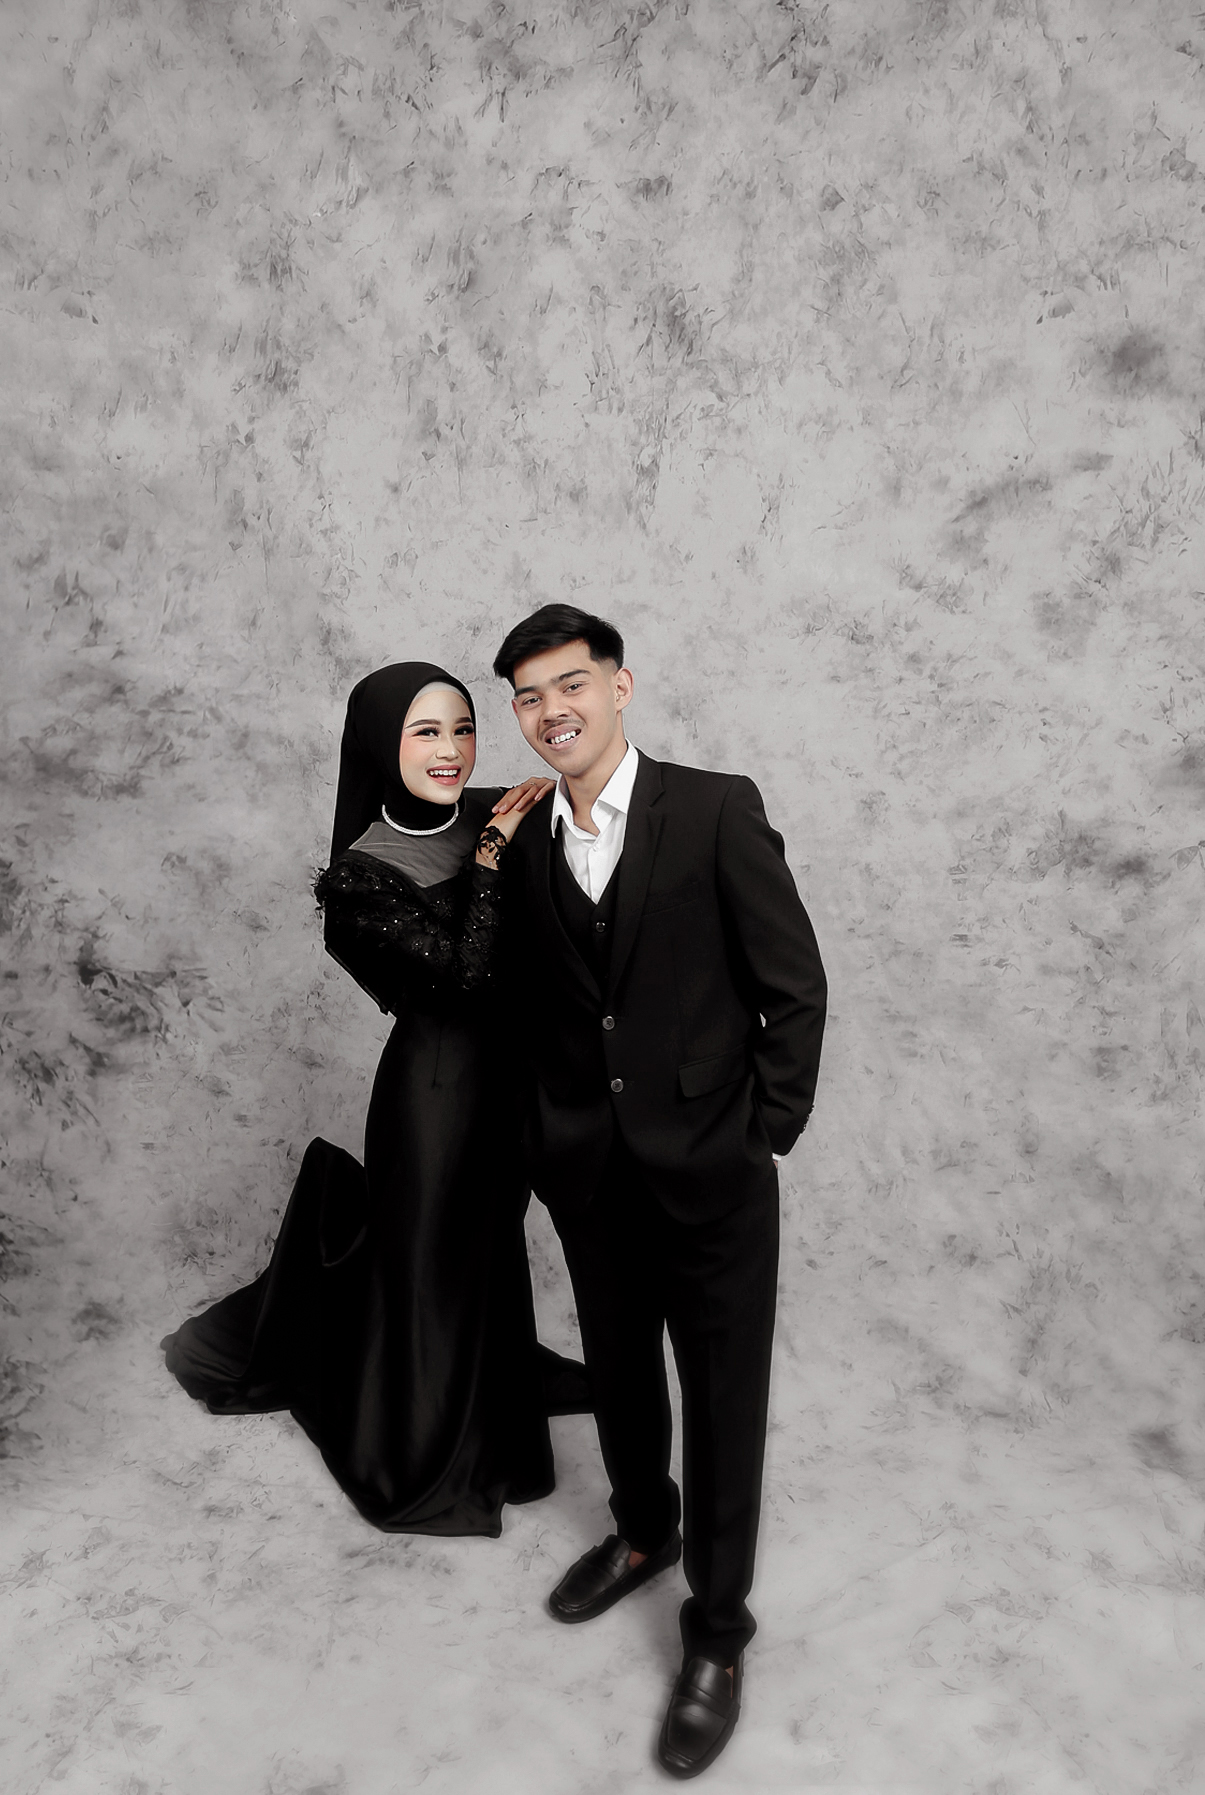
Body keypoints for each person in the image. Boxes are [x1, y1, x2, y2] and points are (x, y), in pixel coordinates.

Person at [490, 605, 827, 1775]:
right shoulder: (520, 840)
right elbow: (527, 1006)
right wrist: (542, 1136)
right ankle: (643, 1532)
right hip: (587, 1173)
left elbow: (794, 985)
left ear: (619, 687)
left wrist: (762, 1133)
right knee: (620, 1375)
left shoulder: (715, 809)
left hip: (713, 1171)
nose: (552, 711)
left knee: (723, 1404)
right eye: (528, 696)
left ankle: (717, 1632)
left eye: (570, 684)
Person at [163, 661, 587, 1537]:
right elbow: (466, 980)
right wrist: (492, 857)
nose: (451, 749)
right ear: (378, 744)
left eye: (463, 728)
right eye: (425, 732)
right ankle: (425, 1450)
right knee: (429, 1265)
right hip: (434, 1096)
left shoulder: (495, 807)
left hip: (511, 1086)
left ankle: (495, 1397)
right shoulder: (358, 878)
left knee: (487, 1249)